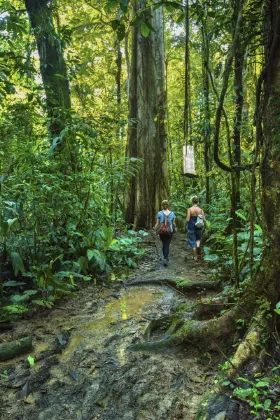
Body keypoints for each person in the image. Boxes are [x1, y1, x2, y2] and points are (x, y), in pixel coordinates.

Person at [154, 200, 176, 266]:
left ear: (162, 205)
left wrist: (155, 230)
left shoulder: (159, 213)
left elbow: (157, 223)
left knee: (164, 244)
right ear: (168, 205)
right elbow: (174, 223)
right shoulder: (172, 213)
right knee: (167, 244)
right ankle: (165, 258)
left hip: (162, 232)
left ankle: (165, 257)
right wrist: (175, 228)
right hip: (170, 231)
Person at [186, 196, 206, 260]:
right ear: (198, 202)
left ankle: (195, 257)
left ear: (192, 202)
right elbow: (204, 220)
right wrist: (205, 228)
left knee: (192, 242)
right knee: (198, 240)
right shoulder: (201, 210)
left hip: (191, 228)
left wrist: (185, 224)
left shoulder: (190, 209)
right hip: (199, 228)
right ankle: (199, 255)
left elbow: (188, 219)